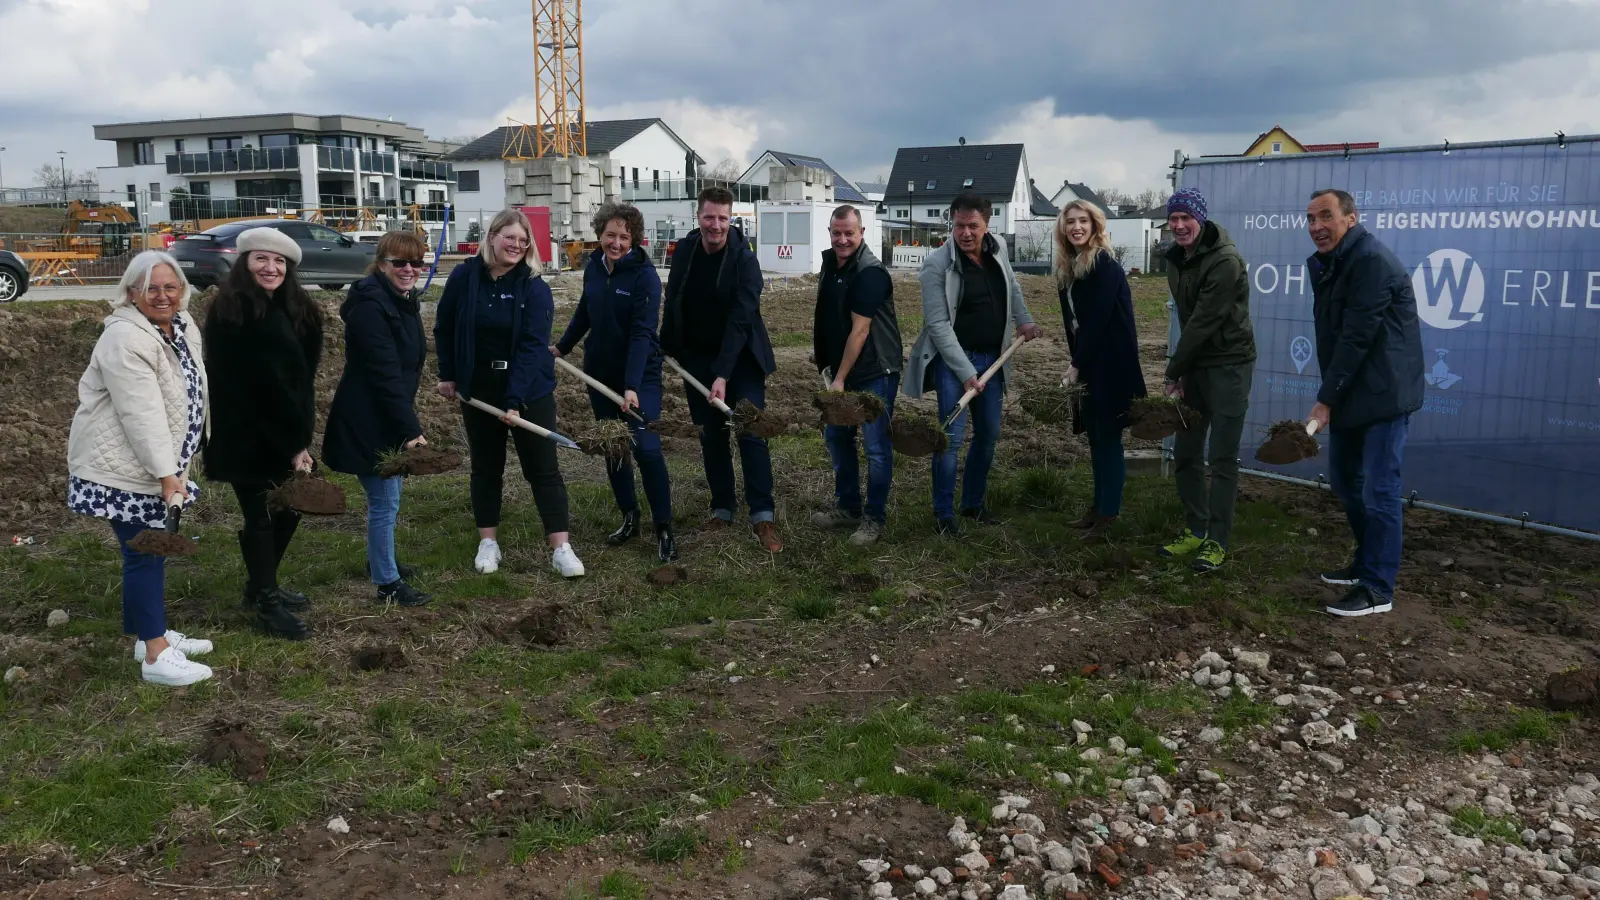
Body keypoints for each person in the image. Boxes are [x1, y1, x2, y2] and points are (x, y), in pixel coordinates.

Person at [67, 251, 214, 685]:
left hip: (164, 462)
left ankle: (149, 635)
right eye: (151, 288)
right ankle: (155, 655)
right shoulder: (123, 338)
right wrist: (167, 475)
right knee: (145, 553)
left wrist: (184, 461)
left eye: (171, 287)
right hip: (126, 468)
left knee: (146, 553)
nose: (163, 296)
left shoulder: (182, 325)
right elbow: (141, 413)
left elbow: (192, 389)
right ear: (132, 293)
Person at [436, 208, 584, 578]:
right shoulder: (464, 277)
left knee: (543, 469)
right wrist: (449, 374)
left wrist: (515, 402)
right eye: (509, 237)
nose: (516, 245)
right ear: (492, 237)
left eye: (523, 239)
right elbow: (445, 326)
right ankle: (488, 542)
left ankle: (561, 548)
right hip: (479, 391)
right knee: (486, 468)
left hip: (528, 390)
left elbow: (533, 349)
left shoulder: (534, 287)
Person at [1304, 188, 1424, 617]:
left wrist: (1324, 401)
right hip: (1355, 392)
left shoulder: (1371, 262)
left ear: (1351, 218)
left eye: (1326, 216)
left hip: (1384, 395)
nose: (1317, 226)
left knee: (1380, 491)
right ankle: (1365, 562)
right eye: (1311, 218)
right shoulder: (1335, 263)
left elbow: (1357, 337)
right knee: (1344, 482)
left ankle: (1377, 588)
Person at [204, 227, 321, 640]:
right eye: (261, 259)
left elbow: (302, 381)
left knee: (288, 511)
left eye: (279, 262)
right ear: (245, 263)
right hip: (245, 434)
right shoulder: (230, 312)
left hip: (290, 432)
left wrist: (301, 440)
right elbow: (245, 388)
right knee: (260, 516)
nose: (270, 268)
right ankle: (267, 606)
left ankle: (260, 586)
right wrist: (289, 443)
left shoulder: (300, 309)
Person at [904, 192, 1041, 536]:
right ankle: (943, 514)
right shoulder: (937, 263)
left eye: (973, 226)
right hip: (954, 362)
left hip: (993, 358)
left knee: (989, 434)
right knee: (949, 438)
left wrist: (1023, 320)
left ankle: (973, 504)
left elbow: (1011, 286)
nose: (965, 233)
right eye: (959, 226)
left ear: (987, 224)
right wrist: (965, 372)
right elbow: (937, 324)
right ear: (951, 223)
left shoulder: (998, 250)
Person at [660, 186, 783, 552]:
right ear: (698, 217)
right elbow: (674, 298)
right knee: (710, 434)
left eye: (723, 218)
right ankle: (723, 507)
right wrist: (665, 345)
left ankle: (762, 515)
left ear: (732, 219)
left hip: (741, 359)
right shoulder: (685, 251)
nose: (716, 225)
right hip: (698, 359)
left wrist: (723, 375)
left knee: (750, 431)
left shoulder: (745, 262)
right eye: (709, 217)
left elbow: (741, 320)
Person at [554, 202, 677, 562]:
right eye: (611, 235)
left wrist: (632, 385)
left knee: (647, 449)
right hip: (599, 374)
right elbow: (584, 311)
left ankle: (664, 527)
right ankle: (629, 516)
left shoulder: (645, 277)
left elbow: (642, 334)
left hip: (640, 378)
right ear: (600, 234)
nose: (617, 242)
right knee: (614, 448)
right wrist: (561, 347)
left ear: (635, 239)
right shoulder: (593, 267)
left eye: (625, 236)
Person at [323, 231, 432, 606]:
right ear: (381, 263)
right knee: (385, 502)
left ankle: (382, 562)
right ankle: (387, 582)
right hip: (368, 420)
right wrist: (411, 430)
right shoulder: (372, 308)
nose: (408, 270)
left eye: (416, 263)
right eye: (398, 262)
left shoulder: (400, 300)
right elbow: (384, 375)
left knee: (390, 499)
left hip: (385, 413)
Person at [1159, 187, 1256, 572]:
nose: (1180, 225)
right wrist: (1184, 372)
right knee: (1186, 451)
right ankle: (1194, 529)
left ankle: (1216, 540)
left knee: (1222, 456)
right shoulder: (1176, 259)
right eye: (1174, 219)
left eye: (1187, 218)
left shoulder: (1225, 261)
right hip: (1197, 365)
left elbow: (1202, 322)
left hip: (1230, 364)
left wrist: (1172, 370)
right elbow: (1185, 318)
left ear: (1201, 218)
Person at [810, 204, 901, 545]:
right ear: (830, 232)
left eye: (849, 233)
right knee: (838, 439)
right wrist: (823, 357)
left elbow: (860, 331)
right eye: (837, 233)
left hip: (874, 371)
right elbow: (832, 317)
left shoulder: (870, 272)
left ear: (862, 233)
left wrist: (838, 379)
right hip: (843, 371)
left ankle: (873, 519)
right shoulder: (831, 264)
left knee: (876, 448)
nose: (843, 239)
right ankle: (848, 507)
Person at [1054, 200, 1146, 533]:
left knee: (1107, 440)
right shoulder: (1070, 269)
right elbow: (1074, 326)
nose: (1076, 227)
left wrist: (1076, 365)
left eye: (1083, 221)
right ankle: (1098, 507)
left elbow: (1098, 323)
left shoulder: (1105, 266)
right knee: (1095, 439)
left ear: (1095, 226)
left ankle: (1109, 515)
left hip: (1111, 367)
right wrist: (1079, 362)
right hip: (1091, 365)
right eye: (1070, 222)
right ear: (1063, 228)